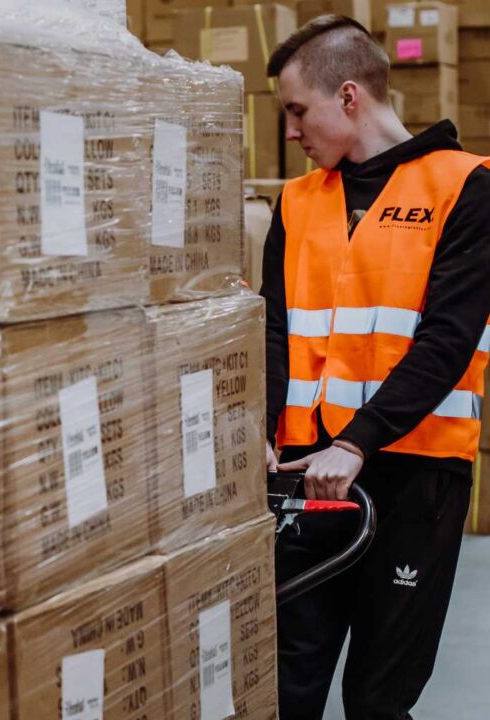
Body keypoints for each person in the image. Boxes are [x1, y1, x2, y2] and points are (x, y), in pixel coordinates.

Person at [259, 14, 490, 720]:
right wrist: (259, 432)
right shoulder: (297, 202)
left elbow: (446, 342)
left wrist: (357, 441)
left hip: (412, 478)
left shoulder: (466, 187)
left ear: (349, 97)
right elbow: (273, 327)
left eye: (299, 111)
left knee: (377, 697)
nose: (292, 132)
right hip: (303, 474)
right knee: (284, 683)